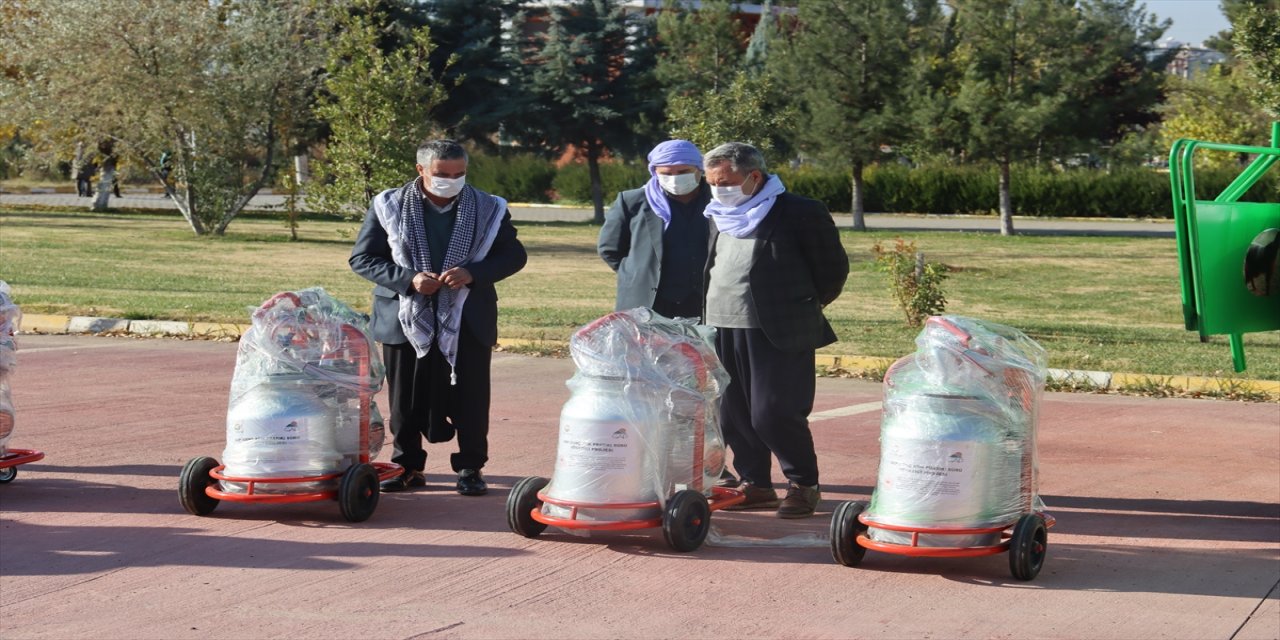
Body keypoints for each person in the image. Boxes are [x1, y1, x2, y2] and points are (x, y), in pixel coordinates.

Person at [349, 139, 527, 495]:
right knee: (405, 401)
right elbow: (363, 259)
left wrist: (474, 273)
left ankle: (471, 467)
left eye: (459, 174)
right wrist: (409, 280)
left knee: (471, 399)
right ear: (421, 170)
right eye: (442, 174)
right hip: (405, 319)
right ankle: (408, 465)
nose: (451, 181)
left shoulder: (489, 207)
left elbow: (513, 256)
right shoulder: (389, 205)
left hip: (467, 317)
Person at [701, 142, 849, 519]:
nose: (719, 189)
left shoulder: (799, 212)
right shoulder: (718, 213)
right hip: (721, 325)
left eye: (726, 182)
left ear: (754, 176)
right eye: (712, 182)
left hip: (776, 329)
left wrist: (798, 309)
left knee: (772, 411)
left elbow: (831, 272)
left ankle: (803, 484)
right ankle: (757, 485)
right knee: (732, 413)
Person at [597, 139, 710, 320]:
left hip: (706, 301)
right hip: (649, 301)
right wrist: (637, 273)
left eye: (683, 172)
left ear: (699, 169)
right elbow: (609, 249)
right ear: (654, 172)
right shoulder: (632, 201)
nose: (675, 178)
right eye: (666, 173)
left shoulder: (718, 201)